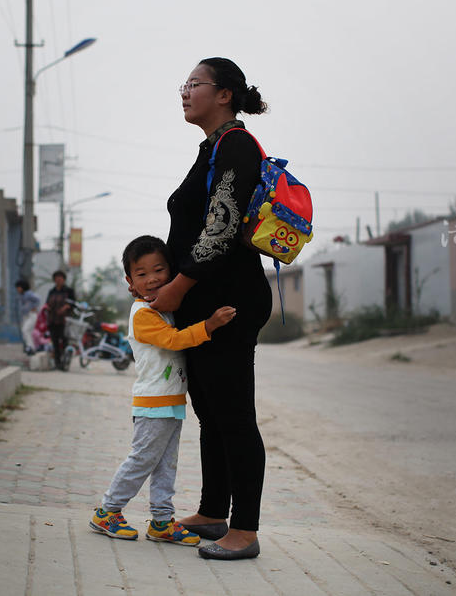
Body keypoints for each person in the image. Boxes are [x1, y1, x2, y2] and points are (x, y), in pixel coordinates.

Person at [147, 57, 272, 560]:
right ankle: (213, 511)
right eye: (185, 84)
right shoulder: (212, 147)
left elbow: (219, 229)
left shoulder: (236, 145)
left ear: (224, 95)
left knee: (235, 414)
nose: (184, 92)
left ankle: (244, 529)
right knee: (211, 413)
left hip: (229, 301)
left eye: (194, 84)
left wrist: (177, 287)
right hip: (203, 300)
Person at [90, 235, 235, 546]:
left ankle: (161, 521)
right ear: (130, 282)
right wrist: (208, 326)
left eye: (159, 270)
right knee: (142, 459)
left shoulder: (160, 307)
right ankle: (107, 511)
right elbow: (173, 340)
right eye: (142, 274)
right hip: (153, 402)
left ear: (171, 271)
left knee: (166, 463)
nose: (152, 279)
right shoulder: (143, 315)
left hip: (170, 401)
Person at [45, 270, 76, 369]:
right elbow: (47, 303)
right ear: (54, 280)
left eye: (60, 278)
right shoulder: (52, 291)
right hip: (52, 320)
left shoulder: (69, 291)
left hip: (64, 321)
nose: (58, 280)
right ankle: (57, 363)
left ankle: (65, 363)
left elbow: (73, 303)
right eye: (56, 278)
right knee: (55, 342)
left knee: (65, 341)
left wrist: (66, 307)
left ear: (64, 279)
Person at [15, 279, 42, 353]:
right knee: (26, 332)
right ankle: (30, 347)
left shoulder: (28, 294)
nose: (17, 289)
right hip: (25, 315)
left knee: (25, 329)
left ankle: (31, 347)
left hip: (31, 314)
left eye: (18, 287)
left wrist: (34, 307)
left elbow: (38, 299)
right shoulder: (21, 295)